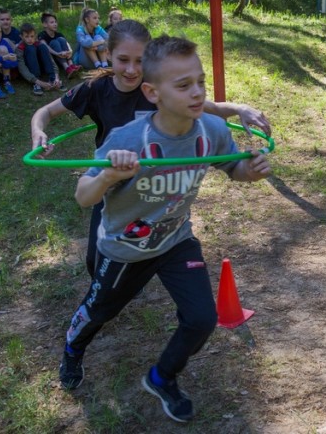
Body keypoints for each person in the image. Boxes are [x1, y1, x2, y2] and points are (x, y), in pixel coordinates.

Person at [59, 34, 271, 424]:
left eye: (200, 82)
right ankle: (73, 349)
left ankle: (161, 378)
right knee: (101, 308)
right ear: (152, 92)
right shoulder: (126, 140)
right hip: (125, 247)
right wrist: (107, 176)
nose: (197, 93)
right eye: (183, 85)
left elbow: (233, 169)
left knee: (202, 319)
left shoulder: (210, 131)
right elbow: (83, 196)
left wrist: (250, 172)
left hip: (175, 240)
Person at [31, 19, 271, 279]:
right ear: (108, 55)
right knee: (96, 259)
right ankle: (113, 288)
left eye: (140, 60)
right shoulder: (94, 89)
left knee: (163, 240)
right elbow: (46, 112)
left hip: (157, 181)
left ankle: (154, 270)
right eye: (123, 60)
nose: (132, 69)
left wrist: (239, 109)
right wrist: (38, 131)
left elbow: (209, 107)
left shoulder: (157, 89)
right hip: (112, 179)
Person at [15, 23, 64, 96]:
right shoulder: (19, 49)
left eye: (32, 36)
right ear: (21, 37)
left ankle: (53, 79)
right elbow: (22, 68)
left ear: (35, 36)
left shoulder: (39, 44)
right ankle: (36, 83)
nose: (30, 39)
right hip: (30, 71)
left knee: (43, 47)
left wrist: (56, 76)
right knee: (30, 49)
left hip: (41, 66)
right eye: (26, 37)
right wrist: (38, 82)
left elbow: (51, 61)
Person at [39, 12, 82, 79]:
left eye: (55, 22)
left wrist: (70, 50)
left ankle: (71, 65)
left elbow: (66, 43)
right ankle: (67, 68)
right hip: (52, 59)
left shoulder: (58, 34)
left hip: (63, 56)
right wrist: (57, 53)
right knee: (54, 42)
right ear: (45, 24)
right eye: (52, 22)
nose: (55, 24)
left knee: (61, 39)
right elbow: (45, 46)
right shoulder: (42, 35)